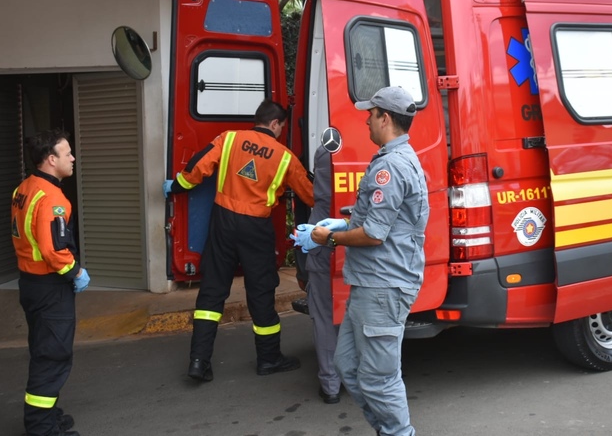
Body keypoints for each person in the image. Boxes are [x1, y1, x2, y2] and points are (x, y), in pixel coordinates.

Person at [296, 86, 428, 436]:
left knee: (380, 379)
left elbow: (374, 233)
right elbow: (382, 217)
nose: (366, 119)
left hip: (383, 286)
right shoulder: (394, 159)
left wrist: (330, 238)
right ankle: (388, 430)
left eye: (370, 114)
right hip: (370, 282)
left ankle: (399, 433)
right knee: (347, 366)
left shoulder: (392, 167)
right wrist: (344, 221)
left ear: (385, 118)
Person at [164, 99, 314, 382]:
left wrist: (176, 186)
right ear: (274, 124)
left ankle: (198, 361)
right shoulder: (285, 157)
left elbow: (197, 168)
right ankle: (268, 359)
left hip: (222, 222)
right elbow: (310, 194)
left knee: (212, 290)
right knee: (260, 291)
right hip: (256, 228)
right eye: (281, 127)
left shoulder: (229, 139)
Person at [12, 129, 90, 436]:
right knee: (52, 355)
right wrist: (75, 272)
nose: (73, 158)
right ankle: (41, 429)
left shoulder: (25, 188)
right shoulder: (53, 198)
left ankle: (48, 416)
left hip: (30, 282)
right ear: (50, 159)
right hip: (49, 287)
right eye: (67, 153)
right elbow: (53, 249)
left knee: (43, 349)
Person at [302, 144, 341, 404]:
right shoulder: (378, 149)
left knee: (325, 315)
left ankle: (331, 386)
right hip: (362, 242)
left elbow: (319, 193)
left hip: (322, 239)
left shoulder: (327, 149)